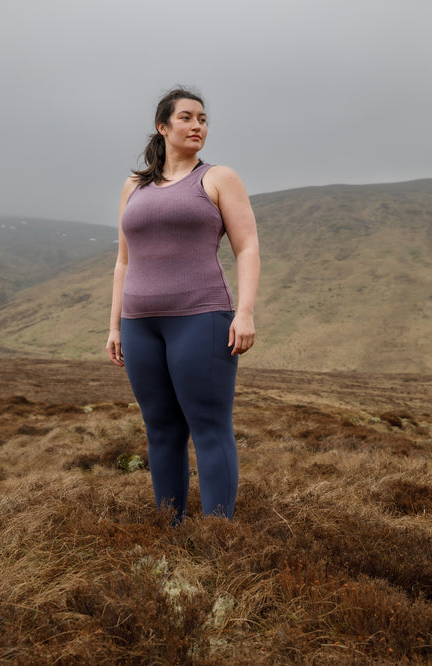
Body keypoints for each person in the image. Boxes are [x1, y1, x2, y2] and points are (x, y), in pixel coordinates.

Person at [106, 86, 260, 521]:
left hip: (202, 318)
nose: (198, 126)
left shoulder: (217, 178)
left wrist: (244, 312)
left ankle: (217, 536)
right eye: (187, 118)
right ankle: (170, 531)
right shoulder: (133, 186)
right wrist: (114, 326)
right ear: (163, 126)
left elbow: (247, 248)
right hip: (139, 324)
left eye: (204, 120)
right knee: (161, 431)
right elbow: (123, 261)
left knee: (209, 428)